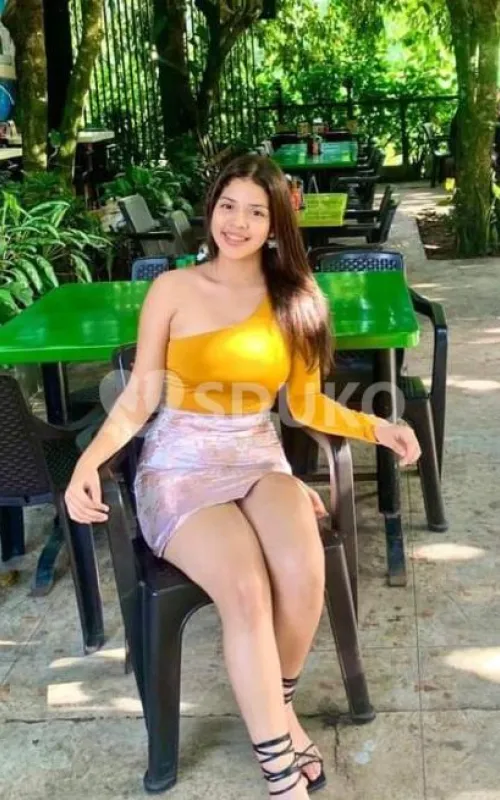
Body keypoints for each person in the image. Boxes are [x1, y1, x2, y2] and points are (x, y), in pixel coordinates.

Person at [65, 154, 421, 798]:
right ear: (211, 210)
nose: (239, 222)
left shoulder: (297, 300)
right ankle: (279, 763)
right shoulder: (172, 290)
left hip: (256, 455)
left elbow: (305, 406)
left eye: (257, 211)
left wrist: (379, 427)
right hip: (180, 463)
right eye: (228, 205)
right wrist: (86, 461)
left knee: (304, 571)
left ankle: (274, 704)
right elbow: (140, 396)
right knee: (247, 588)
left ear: (277, 223)